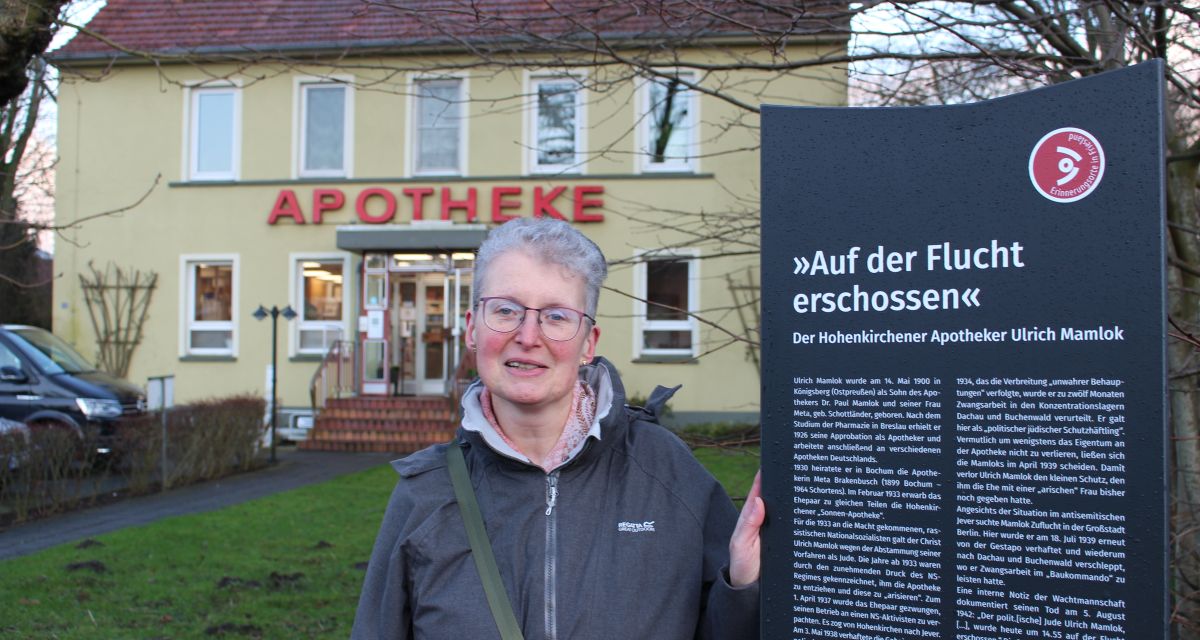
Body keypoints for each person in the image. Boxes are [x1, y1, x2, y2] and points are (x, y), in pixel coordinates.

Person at [352, 217, 764, 639]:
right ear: (473, 326)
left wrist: (745, 587)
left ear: (588, 342)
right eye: (506, 310)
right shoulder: (426, 494)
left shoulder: (666, 472)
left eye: (556, 316)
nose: (528, 336)